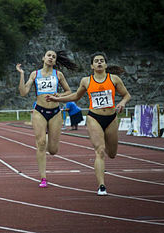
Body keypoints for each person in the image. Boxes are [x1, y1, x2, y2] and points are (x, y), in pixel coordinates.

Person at [46, 52, 131, 196]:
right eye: (96, 61)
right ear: (92, 65)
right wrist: (57, 99)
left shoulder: (114, 79)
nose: (99, 63)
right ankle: (101, 186)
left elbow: (126, 95)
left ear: (105, 64)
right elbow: (76, 96)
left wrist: (122, 102)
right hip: (94, 117)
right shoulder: (86, 81)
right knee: (99, 150)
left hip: (111, 118)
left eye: (102, 61)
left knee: (112, 154)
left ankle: (103, 169)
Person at [17, 50, 76, 188]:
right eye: (49, 55)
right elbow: (23, 92)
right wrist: (21, 75)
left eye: (53, 57)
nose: (51, 58)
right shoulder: (35, 74)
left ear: (55, 61)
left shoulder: (58, 75)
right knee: (41, 143)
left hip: (55, 112)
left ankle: (48, 136)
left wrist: (58, 95)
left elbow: (69, 92)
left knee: (53, 150)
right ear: (43, 58)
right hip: (39, 111)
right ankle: (43, 178)